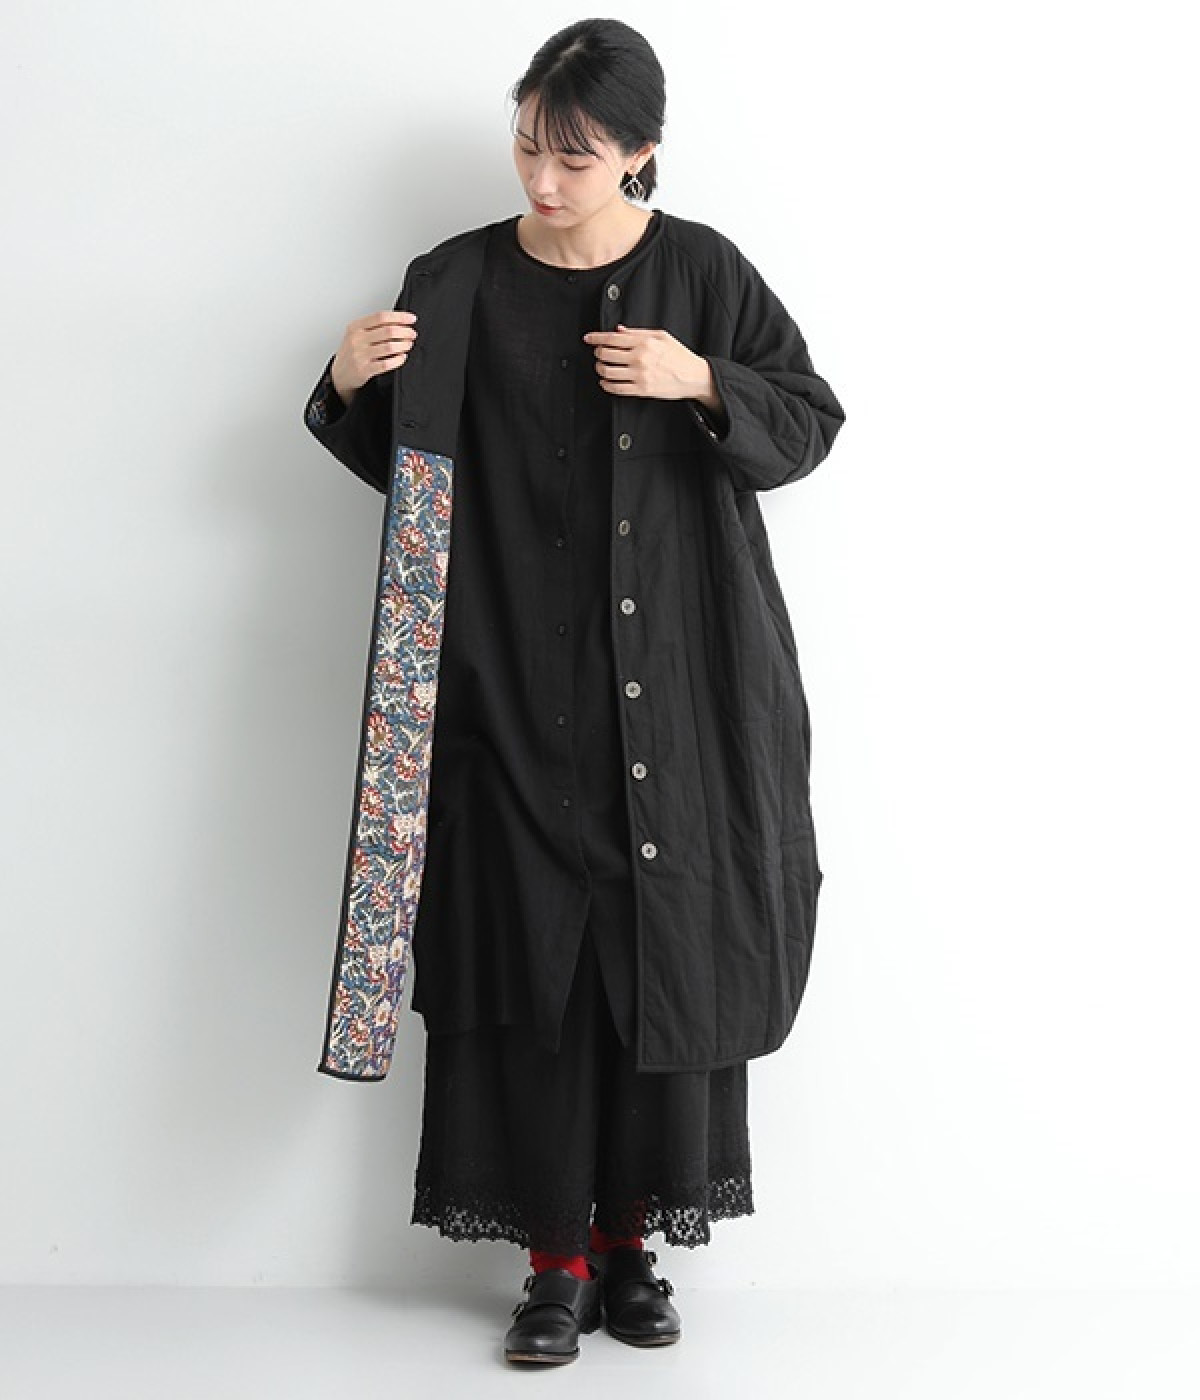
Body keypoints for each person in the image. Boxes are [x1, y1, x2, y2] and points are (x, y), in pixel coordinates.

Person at [303, 17, 845, 1368]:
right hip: (505, 696)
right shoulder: (455, 279)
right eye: (529, 147)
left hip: (680, 693)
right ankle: (552, 1266)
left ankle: (632, 1250)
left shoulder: (702, 272)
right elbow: (415, 471)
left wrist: (699, 378)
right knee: (528, 969)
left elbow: (808, 421)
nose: (543, 180)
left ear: (642, 152)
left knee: (657, 965)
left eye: (577, 156)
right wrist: (344, 385)